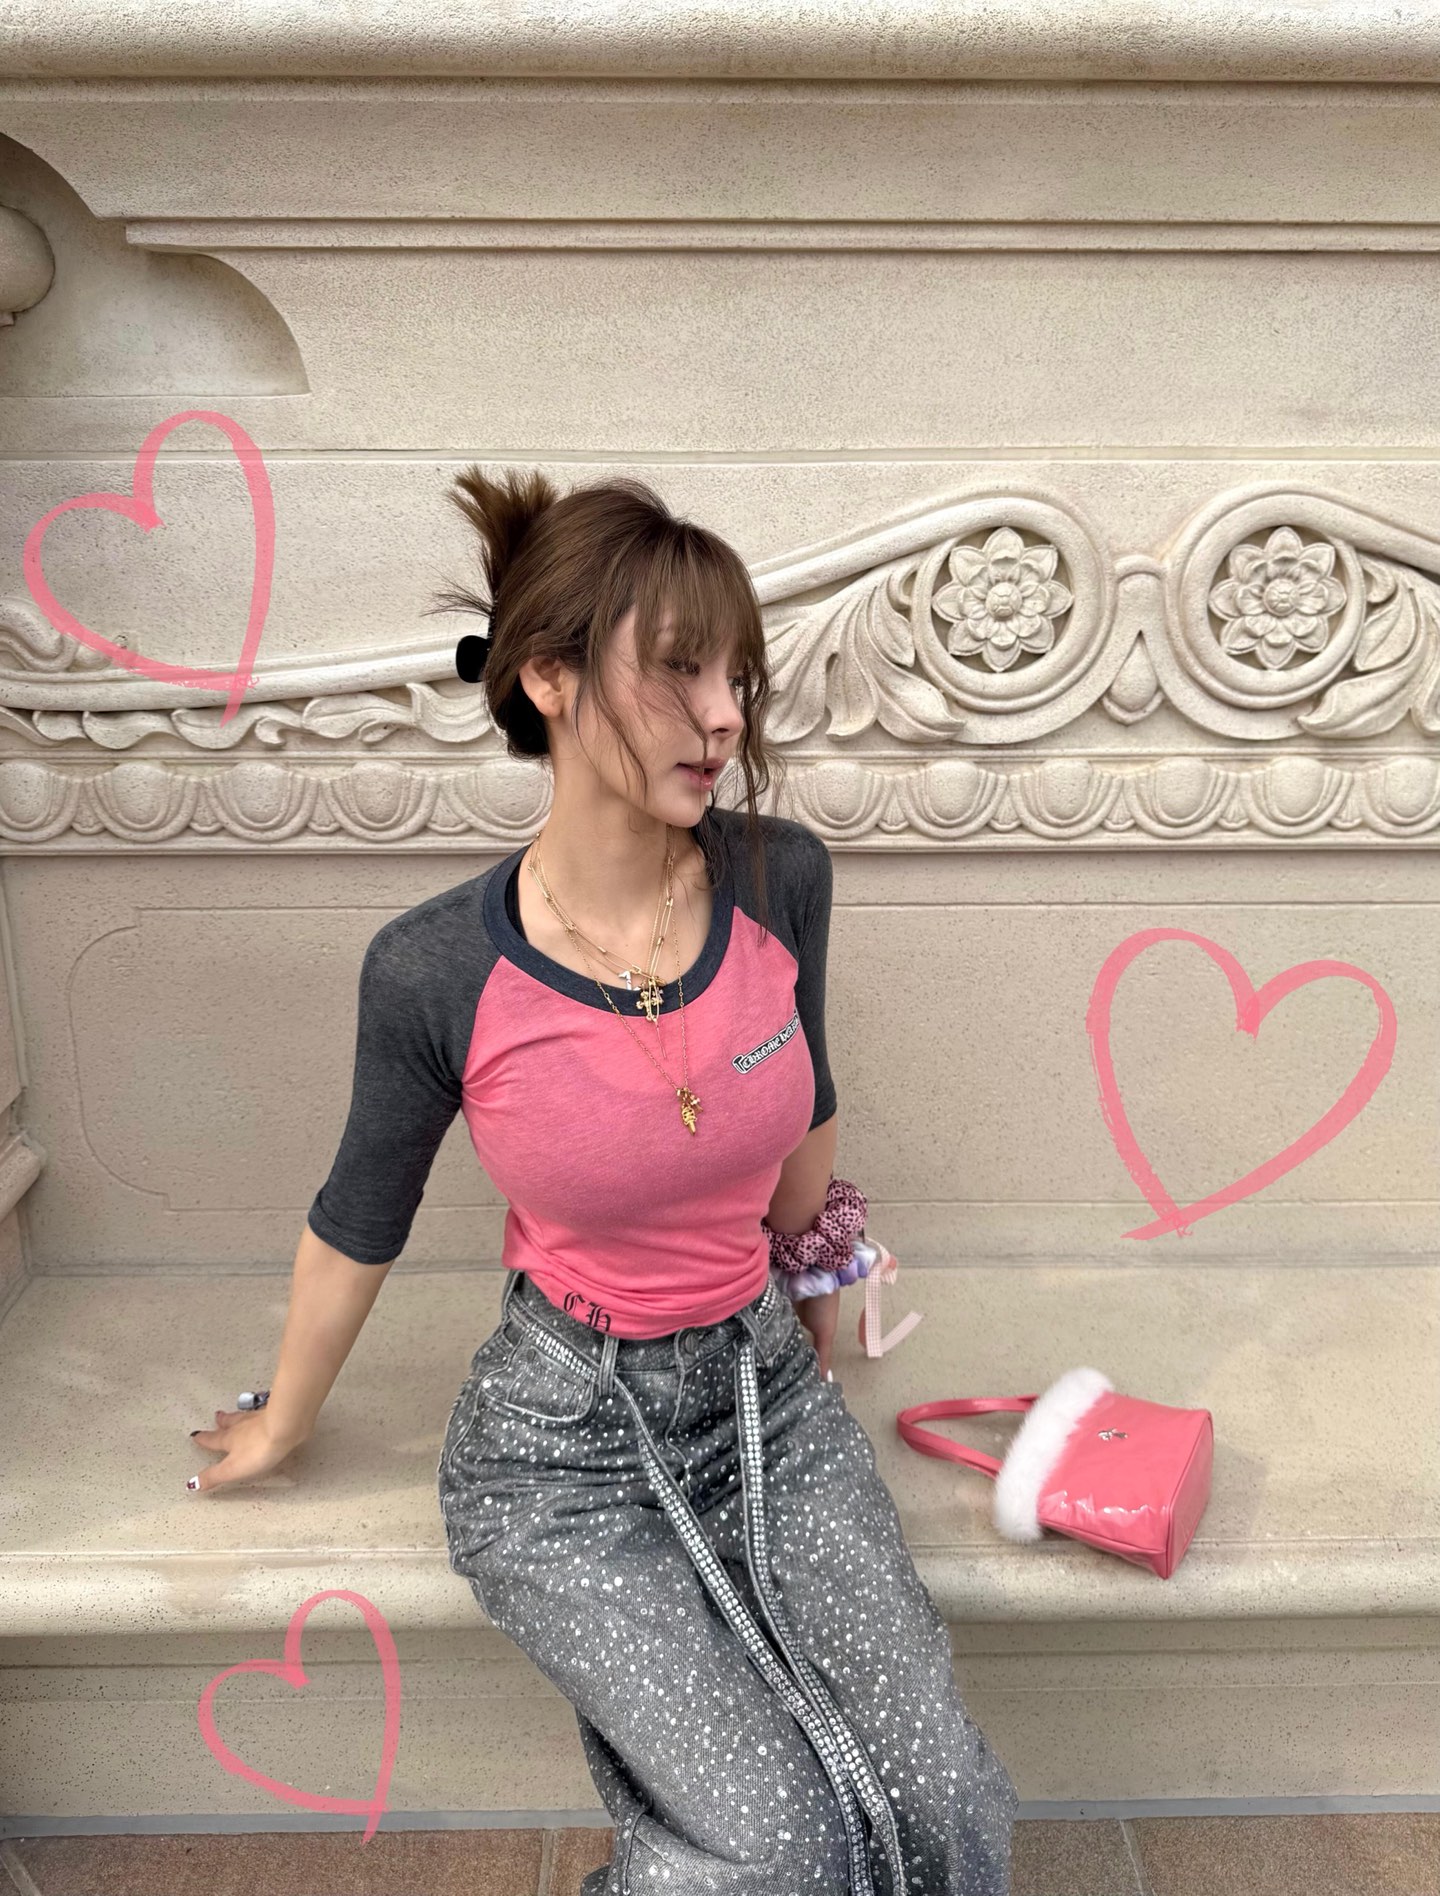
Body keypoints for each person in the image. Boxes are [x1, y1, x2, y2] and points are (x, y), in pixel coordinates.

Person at [186, 467, 1020, 1894]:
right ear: (550, 677)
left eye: (737, 676)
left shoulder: (779, 880)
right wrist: (285, 1419)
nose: (725, 715)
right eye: (680, 669)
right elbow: (357, 1222)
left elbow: (804, 1104)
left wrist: (814, 1271)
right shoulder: (437, 969)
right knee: (779, 1844)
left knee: (943, 1802)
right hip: (560, 1445)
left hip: (767, 1399)